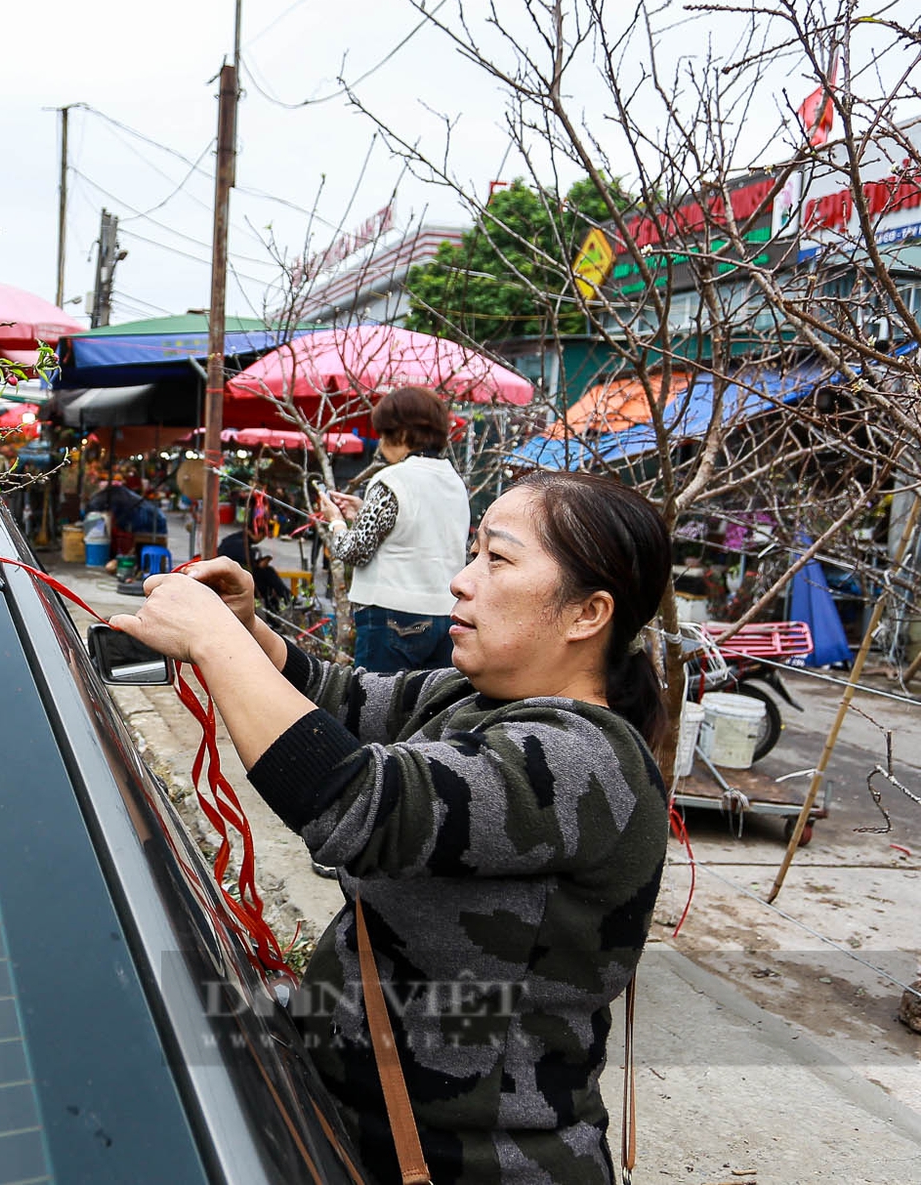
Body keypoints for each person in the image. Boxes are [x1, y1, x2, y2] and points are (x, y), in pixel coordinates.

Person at [110, 470, 672, 1184]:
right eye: (473, 553)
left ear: (587, 613)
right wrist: (250, 628)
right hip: (365, 1123)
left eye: (496, 560)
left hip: (472, 1160)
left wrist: (215, 641)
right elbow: (338, 697)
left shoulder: (584, 760)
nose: (461, 581)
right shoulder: (471, 694)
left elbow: (357, 804)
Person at [320, 387, 470, 671]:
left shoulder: (392, 478)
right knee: (425, 710)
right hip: (444, 614)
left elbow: (353, 551)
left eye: (384, 433)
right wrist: (364, 509)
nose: (380, 443)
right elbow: (418, 526)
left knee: (376, 709)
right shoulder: (453, 479)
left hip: (391, 617)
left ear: (401, 433)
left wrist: (337, 520)